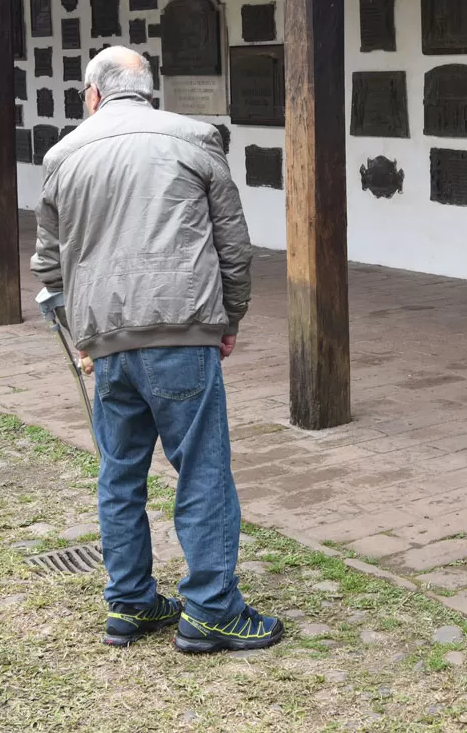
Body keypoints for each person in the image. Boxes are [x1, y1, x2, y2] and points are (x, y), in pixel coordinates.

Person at [31, 46, 282, 653]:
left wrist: (82, 333)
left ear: (93, 94)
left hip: (107, 341)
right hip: (181, 330)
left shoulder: (65, 155)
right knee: (201, 468)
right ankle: (212, 611)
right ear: (148, 89)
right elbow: (233, 246)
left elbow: (47, 262)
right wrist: (232, 318)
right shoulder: (195, 139)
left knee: (120, 475)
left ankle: (131, 603)